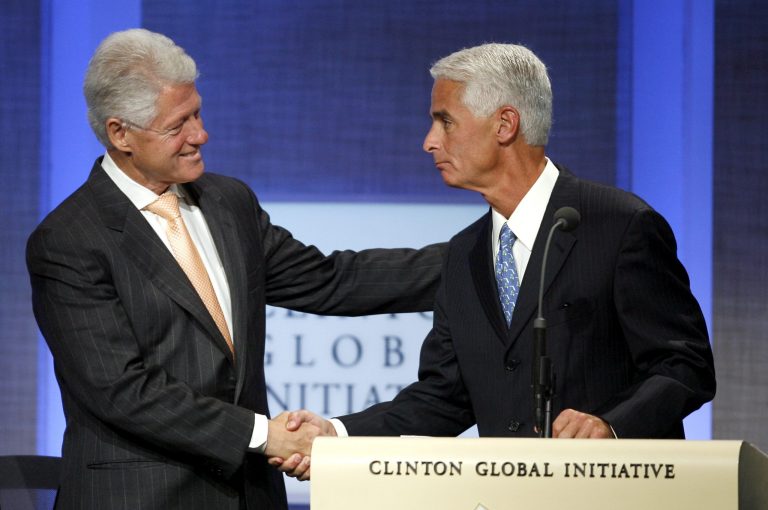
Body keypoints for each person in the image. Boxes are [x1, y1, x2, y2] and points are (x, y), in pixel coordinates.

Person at [26, 28, 444, 509]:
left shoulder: (228, 202)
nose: (200, 135)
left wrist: (481, 262)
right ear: (121, 133)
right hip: (140, 496)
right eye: (178, 124)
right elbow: (123, 390)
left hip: (248, 495)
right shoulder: (69, 241)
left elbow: (331, 281)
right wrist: (265, 435)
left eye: (197, 113)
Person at [273, 43, 717, 479]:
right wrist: (338, 434)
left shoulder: (619, 226)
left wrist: (611, 425)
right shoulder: (465, 254)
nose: (429, 142)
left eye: (445, 122)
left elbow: (686, 366)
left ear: (505, 124)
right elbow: (445, 397)